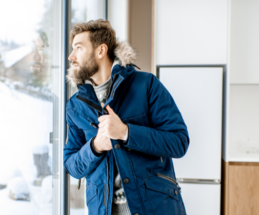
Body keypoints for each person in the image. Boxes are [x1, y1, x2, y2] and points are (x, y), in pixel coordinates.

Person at [63, 19, 190, 215]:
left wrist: (126, 132)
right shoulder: (75, 106)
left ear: (100, 51)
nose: (71, 57)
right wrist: (95, 146)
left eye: (78, 48)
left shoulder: (147, 85)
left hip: (155, 209)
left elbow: (179, 142)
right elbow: (72, 166)